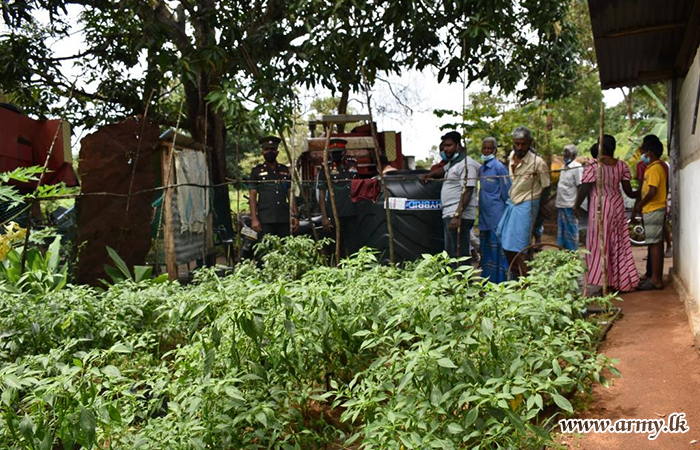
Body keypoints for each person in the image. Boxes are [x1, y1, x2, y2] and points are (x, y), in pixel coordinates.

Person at [574, 135, 638, 292]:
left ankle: (602, 281)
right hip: (617, 206)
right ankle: (620, 281)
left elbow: (585, 188)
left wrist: (575, 205)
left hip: (600, 206)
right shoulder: (622, 166)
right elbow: (629, 192)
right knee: (618, 242)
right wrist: (642, 192)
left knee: (599, 243)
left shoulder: (594, 166)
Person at [496, 126, 551, 278]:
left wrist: (541, 207)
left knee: (521, 248)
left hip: (528, 204)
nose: (520, 147)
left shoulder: (538, 162)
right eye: (517, 143)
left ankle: (527, 282)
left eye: (523, 144)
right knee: (506, 245)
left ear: (530, 143)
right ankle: (517, 279)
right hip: (513, 203)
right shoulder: (511, 157)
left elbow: (546, 186)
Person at [422, 131, 479, 259]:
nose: (445, 149)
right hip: (450, 213)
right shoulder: (454, 163)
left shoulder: (467, 164)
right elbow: (442, 170)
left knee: (459, 254)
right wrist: (428, 175)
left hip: (458, 215)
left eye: (449, 145)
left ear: (458, 145)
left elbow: (467, 191)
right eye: (444, 146)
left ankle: (464, 273)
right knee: (452, 253)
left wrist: (457, 215)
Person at [633, 136, 667, 290]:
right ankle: (654, 277)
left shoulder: (654, 169)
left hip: (653, 208)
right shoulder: (653, 167)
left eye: (644, 153)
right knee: (654, 243)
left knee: (655, 244)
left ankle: (656, 279)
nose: (643, 156)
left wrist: (641, 204)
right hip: (652, 209)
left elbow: (652, 191)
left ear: (650, 153)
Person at [248, 136, 298, 238]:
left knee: (285, 246)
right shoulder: (256, 171)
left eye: (273, 149)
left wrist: (295, 215)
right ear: (262, 152)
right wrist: (254, 219)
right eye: (266, 149)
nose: (270, 152)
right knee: (266, 246)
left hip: (283, 218)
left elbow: (290, 193)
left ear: (277, 152)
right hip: (265, 219)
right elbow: (252, 196)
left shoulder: (285, 171)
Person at [318, 138, 359, 257]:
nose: (335, 155)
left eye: (338, 152)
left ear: (344, 152)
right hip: (334, 214)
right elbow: (321, 193)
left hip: (351, 213)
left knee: (353, 245)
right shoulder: (326, 168)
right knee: (336, 247)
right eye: (333, 153)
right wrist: (324, 217)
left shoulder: (352, 165)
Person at [478, 137, 511, 282]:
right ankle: (488, 281)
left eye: (489, 149)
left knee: (498, 252)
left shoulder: (499, 168)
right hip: (484, 217)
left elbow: (507, 192)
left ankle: (501, 282)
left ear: (495, 150)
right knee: (486, 252)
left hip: (497, 217)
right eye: (484, 148)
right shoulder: (482, 169)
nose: (486, 151)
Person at [555, 144, 583, 250]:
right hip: (561, 204)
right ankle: (563, 253)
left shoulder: (577, 167)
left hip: (570, 205)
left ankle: (572, 254)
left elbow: (580, 187)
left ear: (573, 155)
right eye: (564, 153)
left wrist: (576, 205)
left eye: (567, 153)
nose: (564, 155)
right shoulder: (564, 167)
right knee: (562, 232)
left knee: (571, 232)